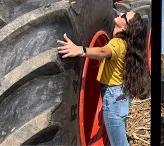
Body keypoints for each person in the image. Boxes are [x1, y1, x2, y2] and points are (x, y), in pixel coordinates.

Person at [57, 12, 149, 146]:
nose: (121, 14)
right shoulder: (127, 45)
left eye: (124, 17)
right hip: (121, 95)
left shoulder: (117, 43)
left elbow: (102, 52)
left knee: (119, 144)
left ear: (125, 28)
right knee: (120, 136)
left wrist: (80, 50)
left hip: (113, 96)